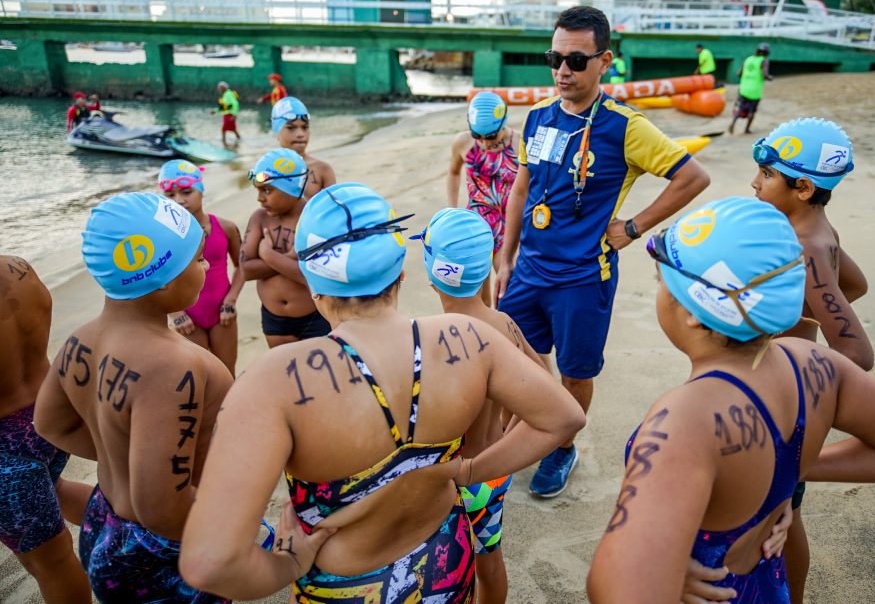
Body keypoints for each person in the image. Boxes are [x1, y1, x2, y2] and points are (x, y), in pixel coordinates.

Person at [178, 183, 586, 602]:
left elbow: (209, 562)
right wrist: (467, 473)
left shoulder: (275, 379)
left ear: (314, 286)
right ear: (401, 273)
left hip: (346, 581)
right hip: (446, 563)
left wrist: (288, 565)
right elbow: (564, 418)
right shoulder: (468, 337)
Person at [587, 196, 875, 603]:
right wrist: (785, 474)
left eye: (663, 281)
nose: (659, 291)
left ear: (697, 309)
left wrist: (661, 571)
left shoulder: (685, 419)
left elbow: (620, 591)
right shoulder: (815, 363)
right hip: (766, 586)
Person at [494, 5, 710, 498]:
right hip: (528, 270)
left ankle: (561, 447)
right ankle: (513, 435)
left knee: (576, 371)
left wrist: (633, 227)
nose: (562, 71)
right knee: (514, 361)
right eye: (554, 58)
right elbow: (520, 189)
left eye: (575, 60)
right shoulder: (538, 117)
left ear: (604, 61)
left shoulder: (624, 126)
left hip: (582, 278)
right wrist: (506, 258)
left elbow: (692, 177)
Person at [34, 192, 234, 602]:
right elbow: (161, 508)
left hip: (103, 520)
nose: (207, 266)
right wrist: (227, 534)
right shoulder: (172, 366)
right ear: (163, 276)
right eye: (198, 259)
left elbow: (50, 423)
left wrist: (130, 458)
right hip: (163, 547)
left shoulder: (81, 339)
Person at [750, 117, 873, 603]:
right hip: (778, 397)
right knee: (783, 514)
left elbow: (856, 353)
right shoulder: (813, 229)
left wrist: (799, 373)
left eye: (766, 174)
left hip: (781, 405)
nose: (755, 182)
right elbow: (855, 286)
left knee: (777, 518)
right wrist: (807, 310)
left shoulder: (805, 246)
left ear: (802, 188)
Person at [412, 207, 547, 604]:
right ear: (487, 263)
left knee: (440, 569)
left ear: (432, 272)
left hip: (445, 480)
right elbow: (544, 389)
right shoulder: (505, 325)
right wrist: (507, 436)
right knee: (489, 560)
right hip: (491, 474)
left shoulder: (429, 339)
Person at [0, 255, 92, 603]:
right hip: (50, 413)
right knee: (55, 488)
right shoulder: (18, 268)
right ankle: (130, 532)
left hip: (8, 455)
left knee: (52, 562)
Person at [160, 160, 246, 375]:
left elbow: (242, 266)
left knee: (227, 373)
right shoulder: (163, 236)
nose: (179, 200)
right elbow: (156, 277)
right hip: (187, 317)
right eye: (170, 195)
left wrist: (231, 300)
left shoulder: (225, 227)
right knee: (198, 379)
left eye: (187, 192)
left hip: (222, 313)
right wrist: (175, 313)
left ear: (201, 190)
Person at [242, 148, 331, 347]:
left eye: (267, 190)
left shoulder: (314, 219)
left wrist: (268, 254)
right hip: (274, 320)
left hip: (315, 317)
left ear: (292, 189)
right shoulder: (259, 218)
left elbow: (311, 277)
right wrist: (290, 258)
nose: (260, 198)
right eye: (258, 190)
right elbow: (246, 270)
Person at [446, 91, 519, 306]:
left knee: (507, 293)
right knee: (478, 300)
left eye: (491, 137)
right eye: (478, 136)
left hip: (508, 226)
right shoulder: (463, 142)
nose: (485, 144)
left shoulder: (520, 143)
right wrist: (452, 210)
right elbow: (453, 173)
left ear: (503, 124)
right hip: (476, 226)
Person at [272, 96, 336, 199]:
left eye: (305, 127)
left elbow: (333, 206)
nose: (300, 134)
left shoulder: (322, 169)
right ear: (277, 131)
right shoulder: (270, 169)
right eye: (291, 128)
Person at [729, 43, 772, 135]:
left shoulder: (748, 59)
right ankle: (746, 129)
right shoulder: (764, 61)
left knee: (740, 108)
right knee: (752, 111)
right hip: (755, 90)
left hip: (744, 89)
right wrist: (770, 77)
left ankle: (733, 123)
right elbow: (764, 75)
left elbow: (739, 74)